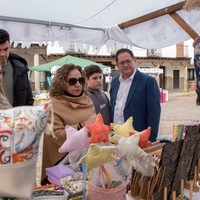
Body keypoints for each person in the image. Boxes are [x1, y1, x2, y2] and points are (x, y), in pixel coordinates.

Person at [41, 64, 96, 185]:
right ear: (61, 83)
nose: (78, 84)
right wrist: (83, 126)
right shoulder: (53, 105)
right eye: (72, 81)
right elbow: (54, 135)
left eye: (80, 80)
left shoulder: (88, 101)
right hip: (63, 164)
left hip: (87, 160)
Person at [110, 48, 161, 142]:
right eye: (122, 63)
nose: (126, 65)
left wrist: (150, 138)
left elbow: (154, 112)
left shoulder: (148, 82)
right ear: (117, 65)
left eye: (128, 61)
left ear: (134, 60)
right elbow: (113, 107)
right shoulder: (114, 82)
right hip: (117, 137)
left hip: (137, 137)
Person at [0, 29, 33, 107]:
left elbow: (28, 100)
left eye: (5, 49)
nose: (2, 54)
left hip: (17, 117)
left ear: (10, 46)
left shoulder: (21, 69)